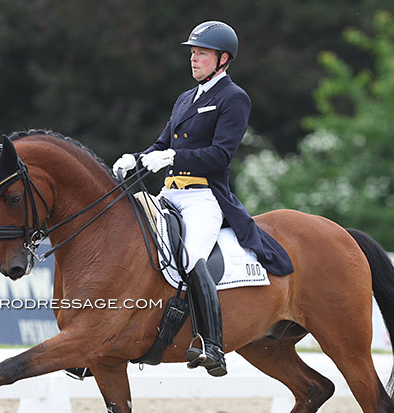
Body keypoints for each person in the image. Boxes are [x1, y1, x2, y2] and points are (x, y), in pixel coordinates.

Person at [113, 21, 293, 377]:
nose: (194, 59)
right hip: (168, 193)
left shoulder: (233, 98)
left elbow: (221, 154)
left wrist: (172, 159)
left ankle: (212, 345)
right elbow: (163, 144)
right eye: (193, 53)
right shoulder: (185, 98)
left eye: (202, 53)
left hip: (204, 199)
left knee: (193, 257)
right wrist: (137, 157)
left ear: (222, 59)